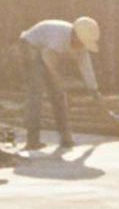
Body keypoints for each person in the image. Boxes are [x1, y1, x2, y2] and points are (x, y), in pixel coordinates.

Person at [15, 16, 104, 150]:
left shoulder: (82, 45)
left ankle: (66, 139)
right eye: (80, 42)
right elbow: (49, 62)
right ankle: (32, 140)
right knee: (36, 93)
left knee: (58, 96)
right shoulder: (58, 37)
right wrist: (60, 84)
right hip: (29, 46)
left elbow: (86, 67)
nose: (80, 46)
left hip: (46, 50)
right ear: (74, 35)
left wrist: (94, 90)